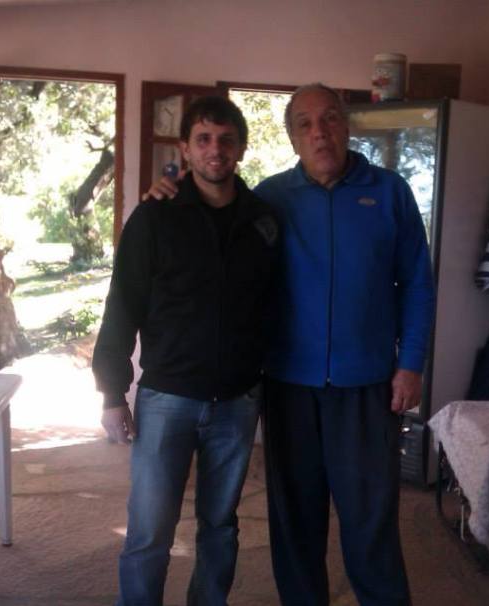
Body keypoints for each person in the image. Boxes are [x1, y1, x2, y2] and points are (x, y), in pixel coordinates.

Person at [146, 84, 434, 606]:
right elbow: (213, 208)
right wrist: (172, 184)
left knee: (371, 518)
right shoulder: (270, 198)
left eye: (329, 119)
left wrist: (411, 363)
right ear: (292, 137)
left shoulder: (390, 192)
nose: (319, 132)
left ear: (347, 125)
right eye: (304, 123)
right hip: (288, 387)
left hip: (367, 385)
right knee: (295, 519)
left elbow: (417, 282)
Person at [92, 96, 279, 606]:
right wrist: (112, 393)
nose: (215, 149)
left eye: (226, 140)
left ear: (241, 148)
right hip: (166, 399)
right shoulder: (154, 217)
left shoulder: (264, 221)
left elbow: (276, 306)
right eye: (204, 139)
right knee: (149, 530)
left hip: (237, 401)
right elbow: (122, 306)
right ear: (186, 149)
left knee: (219, 526)